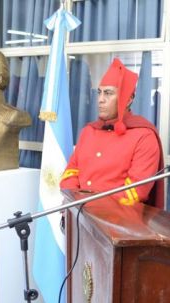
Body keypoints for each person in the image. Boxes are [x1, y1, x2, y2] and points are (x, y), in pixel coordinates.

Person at [60, 58, 164, 208]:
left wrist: (88, 205)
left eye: (108, 93)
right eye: (99, 92)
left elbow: (136, 191)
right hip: (79, 218)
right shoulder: (88, 132)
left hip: (118, 224)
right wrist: (76, 202)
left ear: (128, 99)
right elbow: (70, 173)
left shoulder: (144, 136)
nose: (100, 100)